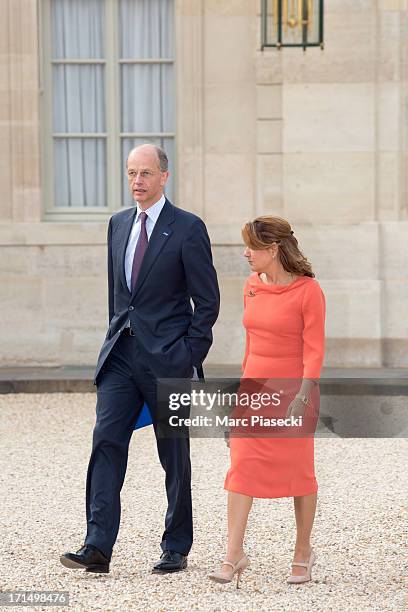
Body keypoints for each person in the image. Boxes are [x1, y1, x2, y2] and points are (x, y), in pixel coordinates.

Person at [60, 144, 220, 574]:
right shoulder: (117, 224)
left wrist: (188, 356)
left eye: (146, 173)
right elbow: (120, 296)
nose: (137, 182)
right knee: (106, 442)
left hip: (169, 359)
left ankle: (176, 544)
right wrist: (115, 335)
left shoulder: (187, 228)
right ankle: (97, 544)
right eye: (132, 173)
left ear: (164, 176)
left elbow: (207, 302)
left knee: (174, 454)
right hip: (120, 357)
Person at [209, 216, 325, 587]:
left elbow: (315, 348)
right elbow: (250, 344)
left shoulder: (308, 291)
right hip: (253, 390)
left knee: (299, 473)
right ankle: (233, 553)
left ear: (272, 250)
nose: (245, 254)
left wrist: (304, 394)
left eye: (251, 247)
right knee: (241, 466)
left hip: (294, 393)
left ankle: (303, 551)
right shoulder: (250, 286)